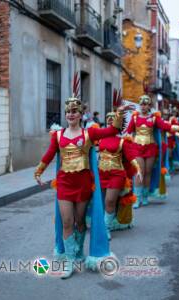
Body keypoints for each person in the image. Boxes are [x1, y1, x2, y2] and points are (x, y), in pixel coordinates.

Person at [34, 95, 126, 279]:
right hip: (64, 185)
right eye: (68, 111)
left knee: (80, 221)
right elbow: (50, 154)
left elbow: (112, 130)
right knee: (67, 221)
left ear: (81, 114)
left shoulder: (89, 133)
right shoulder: (58, 135)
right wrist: (39, 171)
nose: (70, 114)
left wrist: (119, 114)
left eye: (74, 111)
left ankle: (78, 253)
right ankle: (69, 261)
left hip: (83, 185)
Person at [126, 95, 179, 208]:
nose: (143, 106)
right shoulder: (134, 117)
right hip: (137, 147)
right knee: (140, 171)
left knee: (148, 172)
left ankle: (145, 195)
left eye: (145, 104)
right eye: (141, 104)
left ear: (149, 106)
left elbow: (165, 127)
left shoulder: (154, 118)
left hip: (151, 148)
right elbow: (128, 131)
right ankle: (137, 198)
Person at [98, 110, 142, 239]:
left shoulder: (123, 141)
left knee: (110, 201)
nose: (111, 120)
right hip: (101, 174)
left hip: (116, 174)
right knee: (102, 202)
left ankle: (106, 228)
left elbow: (131, 158)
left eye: (114, 118)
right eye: (108, 118)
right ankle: (103, 223)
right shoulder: (98, 139)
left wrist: (138, 169)